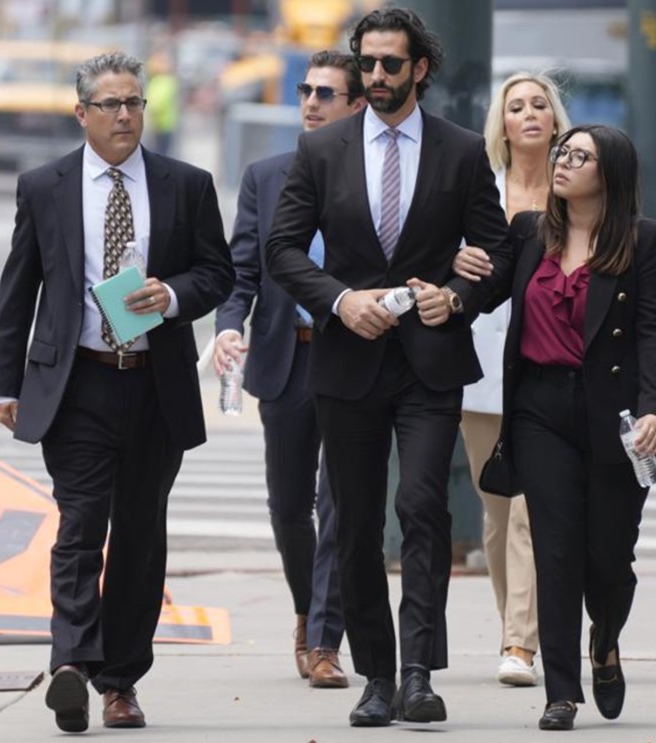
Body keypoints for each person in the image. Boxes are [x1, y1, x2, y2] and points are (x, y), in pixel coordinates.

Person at [265, 7, 512, 728]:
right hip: (348, 362)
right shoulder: (322, 151)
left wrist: (458, 296)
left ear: (420, 69)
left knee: (423, 509)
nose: (375, 76)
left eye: (389, 65)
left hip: (429, 364)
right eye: (367, 64)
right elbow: (282, 250)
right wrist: (340, 301)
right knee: (356, 522)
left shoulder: (462, 151)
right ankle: (375, 672)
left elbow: (495, 254)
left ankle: (417, 672)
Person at [0, 52, 233, 734]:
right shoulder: (46, 185)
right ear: (82, 113)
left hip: (156, 383)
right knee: (80, 525)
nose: (125, 115)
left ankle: (120, 680)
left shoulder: (185, 184)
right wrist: (4, 382)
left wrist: (174, 294)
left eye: (135, 103)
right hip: (78, 381)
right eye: (111, 104)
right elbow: (20, 286)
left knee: (140, 539)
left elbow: (218, 272)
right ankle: (70, 663)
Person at [466, 125, 656, 731]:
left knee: (609, 558)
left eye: (578, 156)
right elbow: (486, 291)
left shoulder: (644, 241)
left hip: (615, 417)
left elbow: (655, 332)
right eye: (563, 152)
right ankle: (561, 690)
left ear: (607, 174)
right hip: (539, 408)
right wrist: (453, 286)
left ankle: (604, 641)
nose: (563, 162)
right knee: (555, 551)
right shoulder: (530, 232)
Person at [214, 50, 366, 689]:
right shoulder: (266, 175)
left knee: (339, 504)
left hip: (353, 354)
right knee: (288, 507)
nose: (310, 102)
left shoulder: (371, 175)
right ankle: (308, 608)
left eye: (326, 93)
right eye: (306, 90)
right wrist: (228, 324)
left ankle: (326, 641)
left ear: (356, 104)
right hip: (285, 355)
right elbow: (242, 266)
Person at [454, 72, 572, 688]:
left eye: (539, 105)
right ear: (501, 123)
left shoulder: (576, 188)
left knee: (531, 511)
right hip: (479, 370)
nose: (529, 114)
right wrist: (453, 259)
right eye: (516, 106)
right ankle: (513, 628)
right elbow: (443, 254)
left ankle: (521, 643)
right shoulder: (480, 187)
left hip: (546, 369)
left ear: (555, 118)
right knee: (497, 514)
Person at [145, 51, 178, 156]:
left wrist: (152, 116)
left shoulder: (163, 81)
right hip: (163, 124)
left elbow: (157, 104)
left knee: (160, 154)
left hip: (161, 125)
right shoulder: (161, 81)